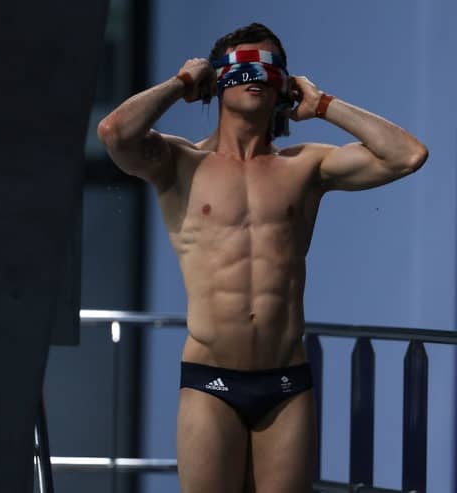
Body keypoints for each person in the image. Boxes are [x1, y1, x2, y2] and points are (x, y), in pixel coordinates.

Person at [97, 22, 427, 493]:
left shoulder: (305, 165)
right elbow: (114, 133)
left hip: (286, 385)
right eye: (243, 63)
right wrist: (182, 82)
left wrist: (324, 104)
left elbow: (408, 155)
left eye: (270, 66)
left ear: (284, 86)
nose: (256, 74)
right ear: (219, 79)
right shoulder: (180, 163)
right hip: (210, 382)